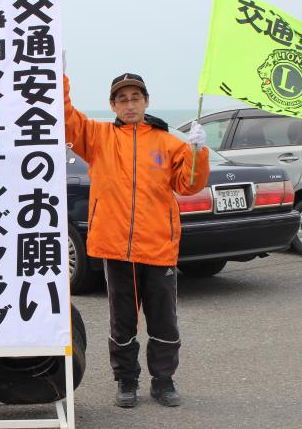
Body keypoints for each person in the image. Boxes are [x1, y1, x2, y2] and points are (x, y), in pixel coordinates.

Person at [63, 71, 209, 408]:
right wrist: (61, 74)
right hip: (116, 248)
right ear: (112, 105)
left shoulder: (168, 142)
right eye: (123, 99)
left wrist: (198, 153)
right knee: (122, 320)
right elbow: (66, 116)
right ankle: (126, 381)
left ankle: (164, 380)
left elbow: (189, 185)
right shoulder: (97, 136)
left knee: (163, 320)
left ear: (146, 102)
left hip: (158, 247)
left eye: (136, 98)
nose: (130, 104)